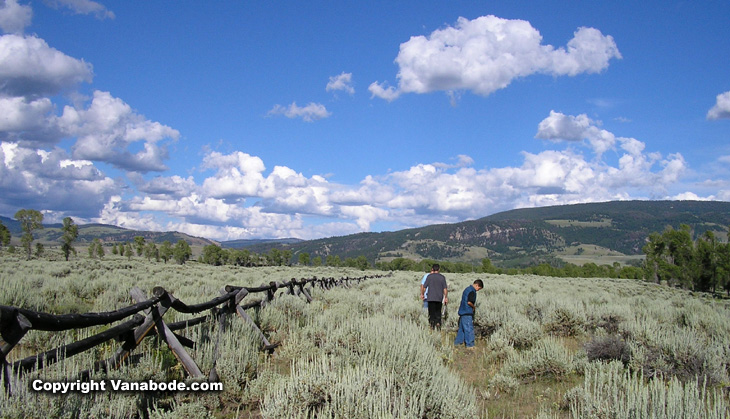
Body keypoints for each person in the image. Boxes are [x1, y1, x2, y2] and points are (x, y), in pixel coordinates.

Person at [454, 279, 484, 348]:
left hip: (462, 311)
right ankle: (470, 345)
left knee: (462, 329)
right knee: (468, 328)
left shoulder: (467, 289)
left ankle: (458, 343)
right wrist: (474, 307)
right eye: (478, 288)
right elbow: (469, 302)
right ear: (477, 285)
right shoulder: (472, 291)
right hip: (467, 312)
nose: (478, 290)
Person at [422, 264, 448, 329]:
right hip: (439, 298)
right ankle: (438, 324)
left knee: (431, 313)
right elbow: (445, 289)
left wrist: (422, 294)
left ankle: (432, 326)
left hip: (430, 298)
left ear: (432, 269)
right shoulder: (442, 277)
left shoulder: (429, 277)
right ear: (439, 269)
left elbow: (424, 287)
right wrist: (446, 297)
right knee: (438, 312)